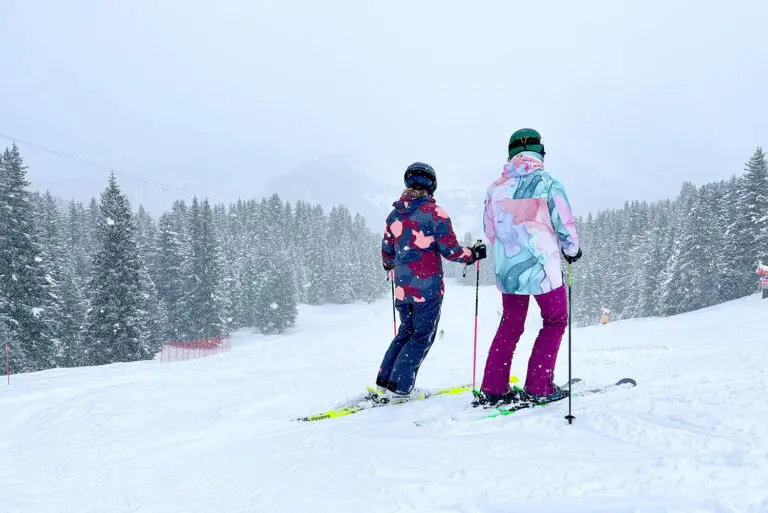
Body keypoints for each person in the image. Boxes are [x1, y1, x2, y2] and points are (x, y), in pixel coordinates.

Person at [475, 128, 581, 407]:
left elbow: (489, 229)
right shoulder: (549, 182)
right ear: (540, 152)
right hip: (543, 267)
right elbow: (563, 223)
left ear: (510, 154)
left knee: (511, 323)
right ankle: (538, 385)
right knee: (555, 320)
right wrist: (572, 250)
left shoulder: (496, 188)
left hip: (508, 269)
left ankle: (494, 387)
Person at [373, 162, 486, 403]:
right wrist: (473, 254)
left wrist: (392, 264)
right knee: (422, 336)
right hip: (427, 288)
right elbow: (451, 251)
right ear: (432, 185)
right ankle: (400, 388)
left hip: (403, 289)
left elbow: (387, 254)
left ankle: (385, 381)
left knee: (405, 332)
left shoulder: (394, 215)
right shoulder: (435, 214)